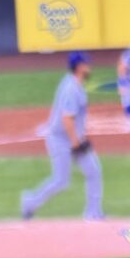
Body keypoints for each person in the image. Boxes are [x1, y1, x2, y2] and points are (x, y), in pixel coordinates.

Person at [21, 52, 103, 221]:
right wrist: (76, 143)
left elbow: (77, 119)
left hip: (73, 138)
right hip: (60, 140)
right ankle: (30, 202)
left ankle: (93, 213)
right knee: (61, 181)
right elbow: (67, 118)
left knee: (93, 171)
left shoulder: (75, 84)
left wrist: (81, 138)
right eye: (87, 64)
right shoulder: (71, 88)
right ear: (79, 67)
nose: (89, 67)